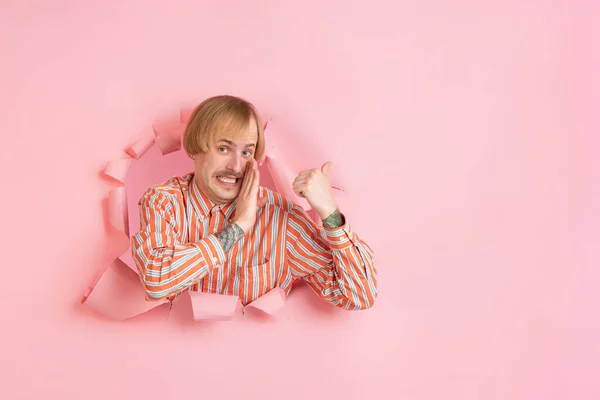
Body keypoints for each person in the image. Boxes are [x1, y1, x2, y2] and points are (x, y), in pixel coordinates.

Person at [131, 95, 377, 310]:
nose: (236, 166)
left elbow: (359, 296)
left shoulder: (280, 218)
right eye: (224, 149)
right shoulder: (164, 201)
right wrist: (239, 227)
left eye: (247, 152)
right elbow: (156, 281)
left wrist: (330, 212)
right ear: (195, 149)